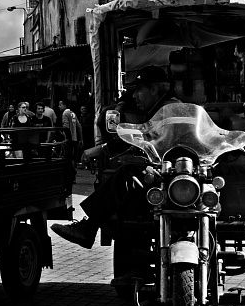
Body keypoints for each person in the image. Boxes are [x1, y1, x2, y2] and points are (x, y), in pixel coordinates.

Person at [52, 67, 179, 248]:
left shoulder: (168, 110)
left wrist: (101, 149)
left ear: (153, 89)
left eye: (139, 90)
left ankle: (89, 227)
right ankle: (90, 227)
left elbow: (145, 137)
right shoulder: (165, 106)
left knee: (127, 174)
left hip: (175, 175)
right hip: (172, 174)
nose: (135, 96)